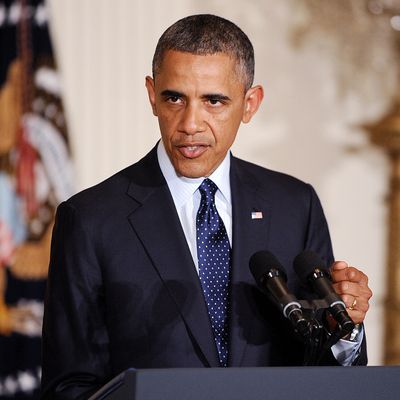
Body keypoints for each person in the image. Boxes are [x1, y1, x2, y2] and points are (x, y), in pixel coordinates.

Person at [41, 14, 373, 399]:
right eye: (174, 98)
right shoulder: (90, 220)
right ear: (152, 95)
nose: (190, 123)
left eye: (213, 100)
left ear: (250, 104)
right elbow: (67, 386)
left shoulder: (295, 205)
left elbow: (326, 371)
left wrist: (346, 325)